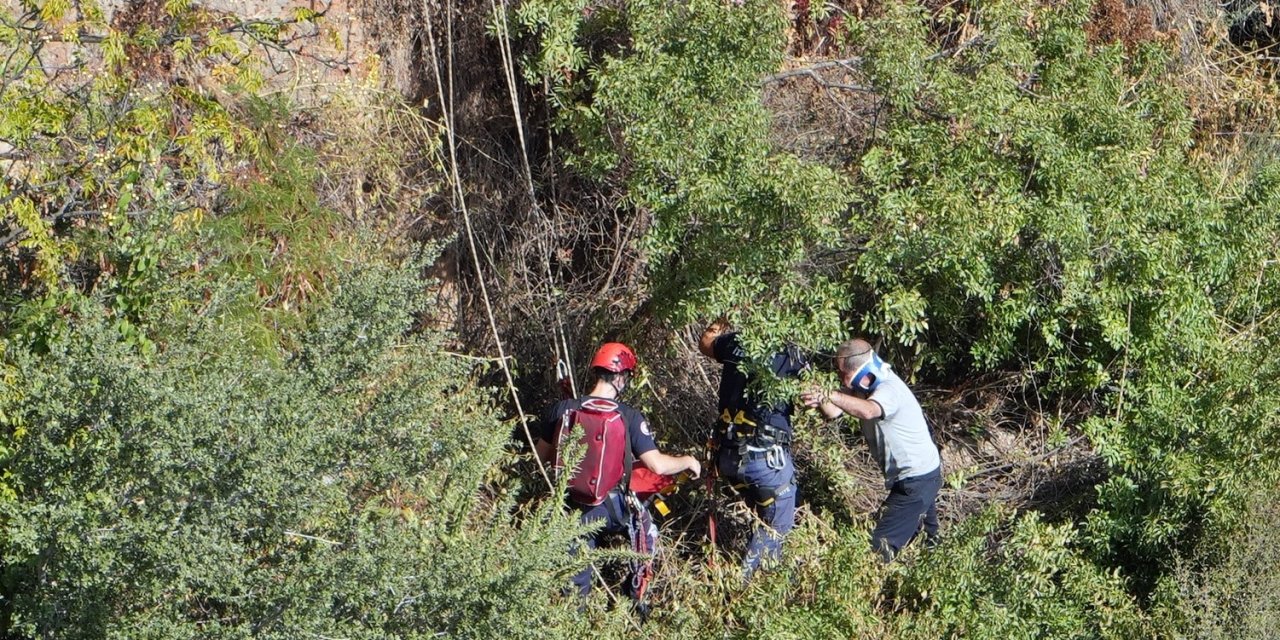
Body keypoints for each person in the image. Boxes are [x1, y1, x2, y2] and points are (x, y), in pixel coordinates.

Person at [534, 342, 701, 600]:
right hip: (613, 509)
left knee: (575, 584)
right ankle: (633, 601)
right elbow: (657, 465)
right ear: (621, 377)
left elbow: (541, 457)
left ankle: (573, 619)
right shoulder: (628, 416)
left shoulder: (562, 409)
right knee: (646, 539)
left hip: (570, 508)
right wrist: (687, 460)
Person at [801, 339, 941, 561]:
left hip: (916, 481)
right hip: (922, 476)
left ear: (859, 372)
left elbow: (868, 411)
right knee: (928, 541)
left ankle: (876, 588)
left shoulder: (888, 389)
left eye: (842, 373)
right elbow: (833, 413)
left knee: (879, 548)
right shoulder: (862, 388)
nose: (840, 379)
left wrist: (831, 395)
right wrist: (817, 396)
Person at [699, 320, 807, 578]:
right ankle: (746, 589)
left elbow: (705, 344)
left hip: (728, 458)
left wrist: (719, 322)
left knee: (772, 515)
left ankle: (774, 578)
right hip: (765, 462)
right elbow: (828, 410)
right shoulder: (792, 356)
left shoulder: (737, 341)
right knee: (777, 525)